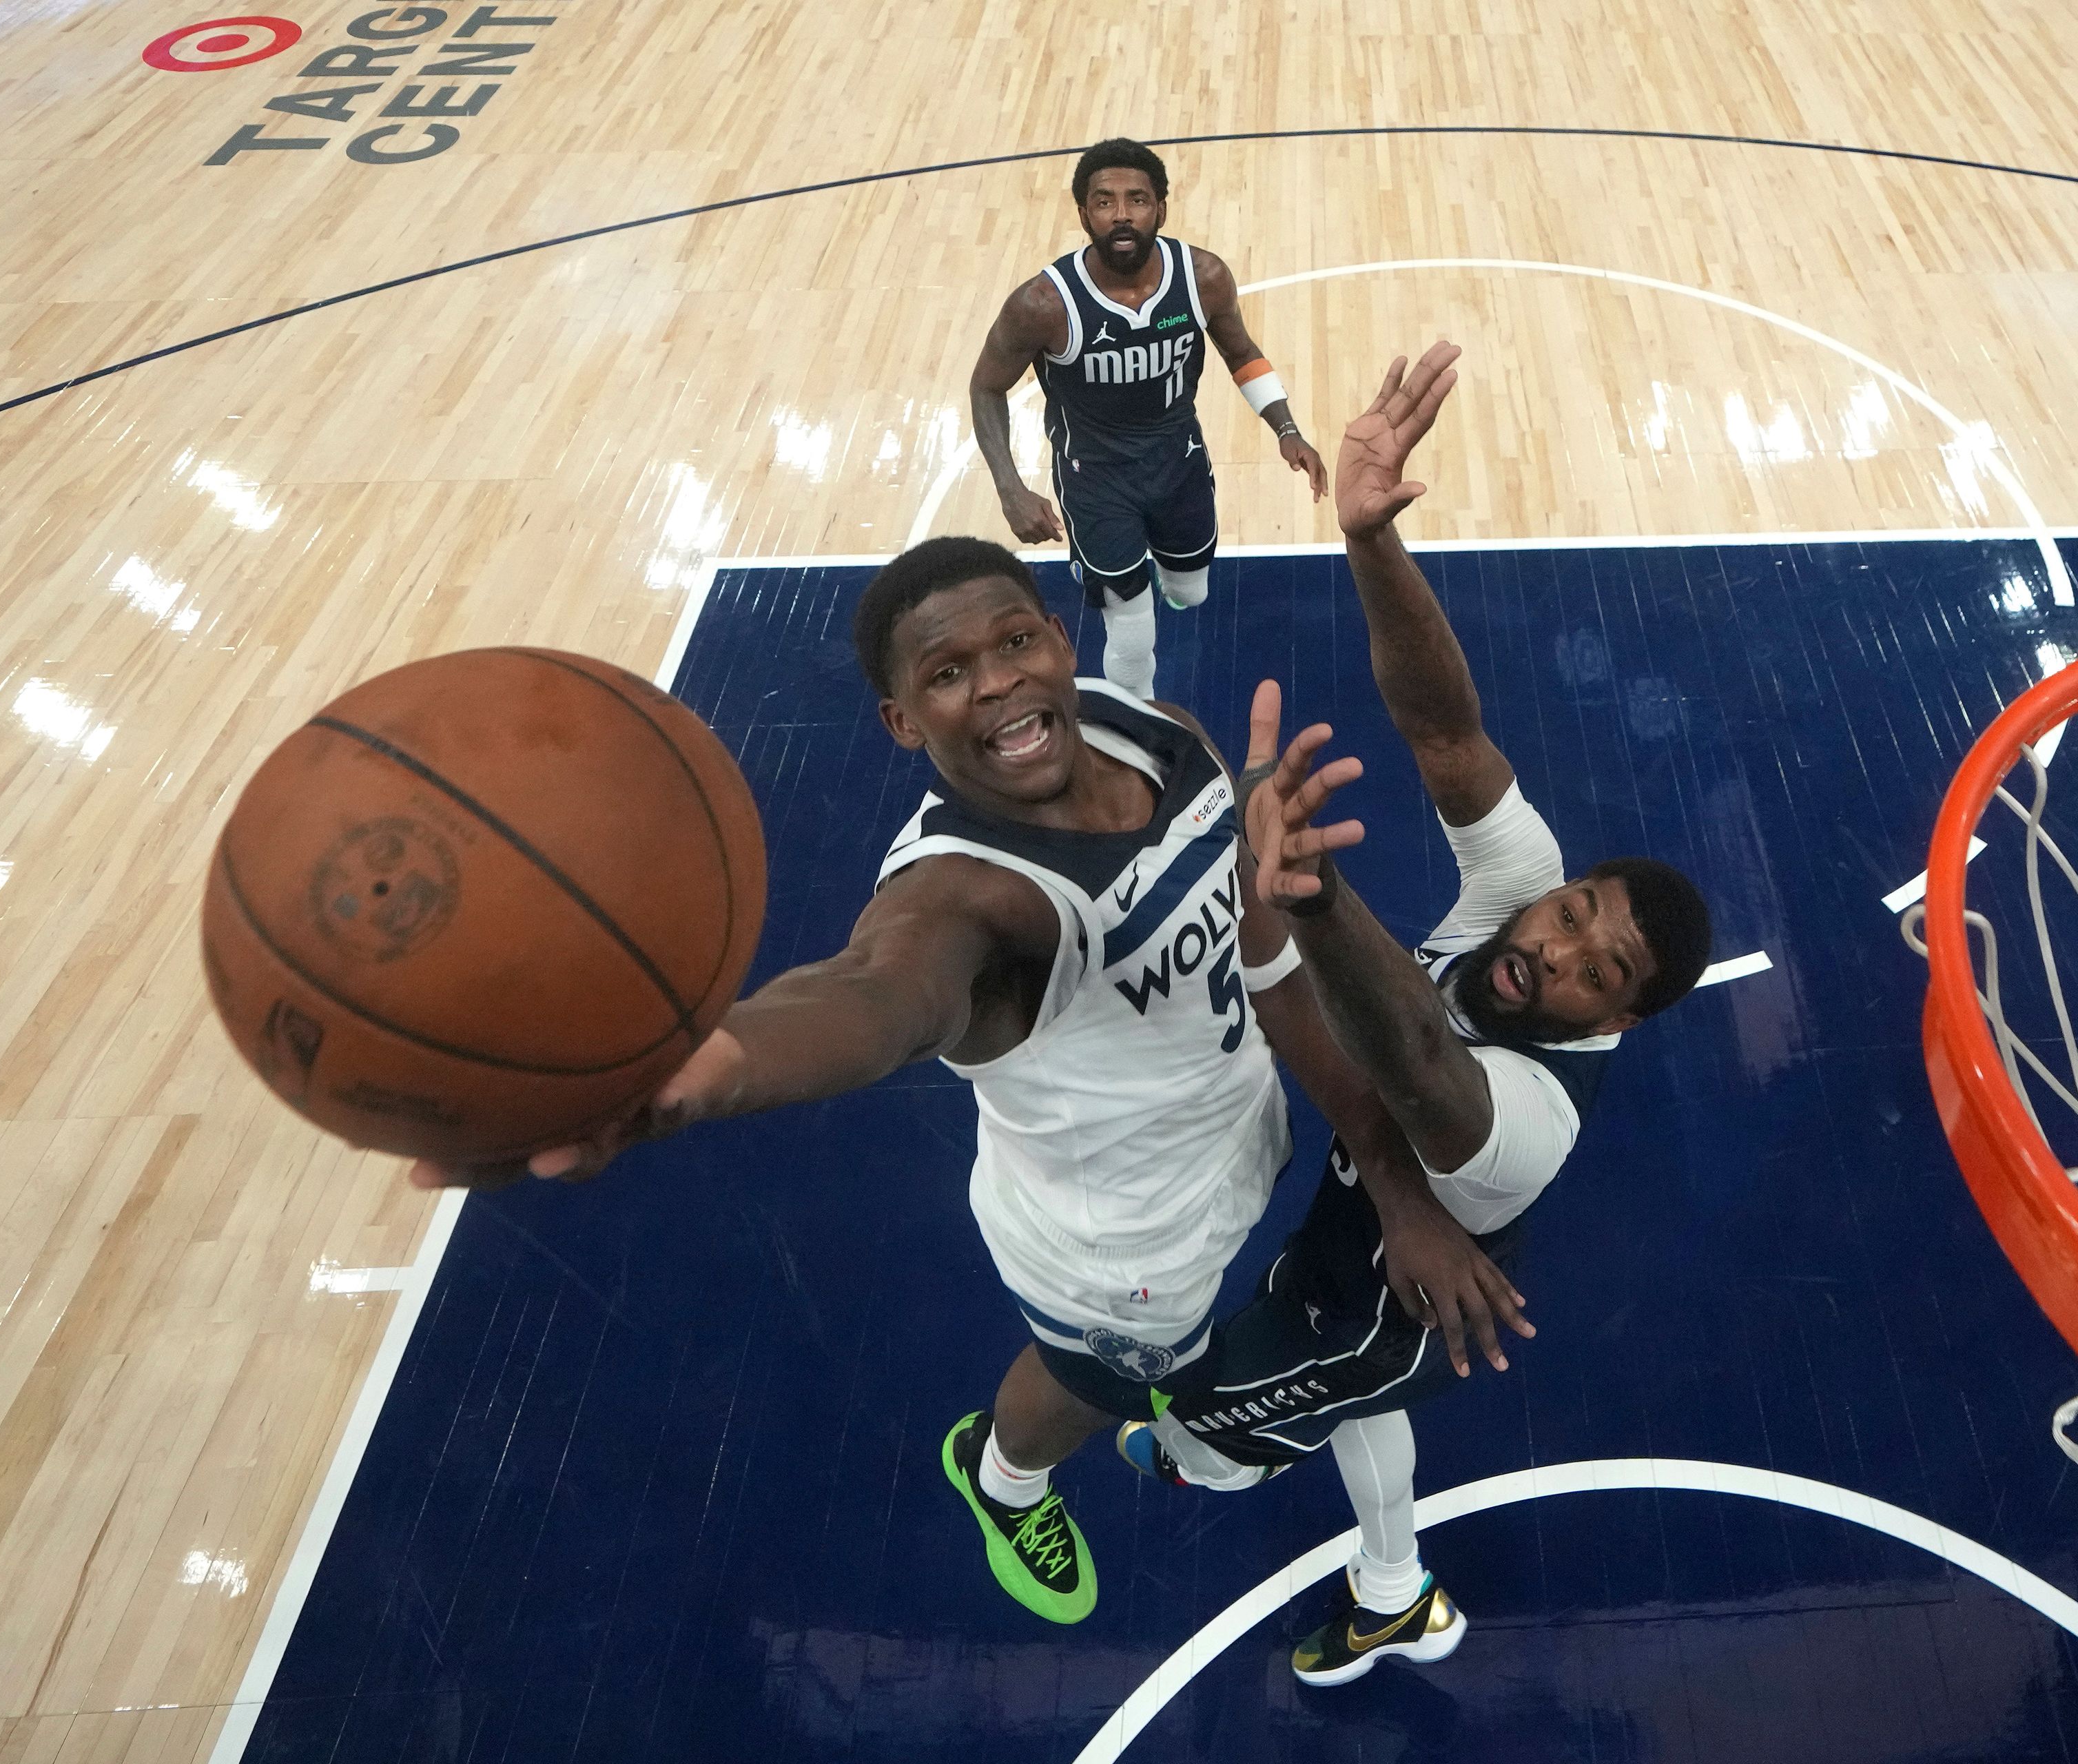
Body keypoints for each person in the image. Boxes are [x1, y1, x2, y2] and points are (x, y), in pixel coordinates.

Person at [412, 535, 1519, 1629]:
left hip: (1236, 1137)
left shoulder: (1163, 739)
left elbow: (1270, 964)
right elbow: (873, 996)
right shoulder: (964, 895)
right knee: (1104, 1387)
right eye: (948, 674)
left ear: (1056, 637)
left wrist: (1391, 1176)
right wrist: (701, 1072)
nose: (997, 681)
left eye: (1015, 639)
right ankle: (1002, 1477)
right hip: (1117, 1252)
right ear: (903, 722)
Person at [1113, 343, 1714, 1686]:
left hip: (1366, 1302)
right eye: (1574, 913)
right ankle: (1396, 1587)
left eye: (1598, 969)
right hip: (1388, 1249)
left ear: (1620, 1013)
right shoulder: (1527, 886)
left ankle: (1244, 1483)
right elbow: (1448, 732)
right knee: (1360, 1409)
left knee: (1190, 1434)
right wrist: (1372, 539)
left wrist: (1307, 900)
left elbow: (1409, 1060)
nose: (1557, 948)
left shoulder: (1532, 1123)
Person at [968, 137, 1327, 701]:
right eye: (1105, 202)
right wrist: (1010, 488)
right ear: (1084, 214)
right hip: (1095, 477)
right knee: (1132, 627)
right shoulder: (1043, 305)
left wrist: (1287, 429)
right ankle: (1141, 720)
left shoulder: (1203, 277)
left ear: (1162, 207)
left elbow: (1241, 352)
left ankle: (1162, 575)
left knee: (1191, 592)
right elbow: (986, 386)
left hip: (1177, 458)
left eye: (1137, 200)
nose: (1122, 215)